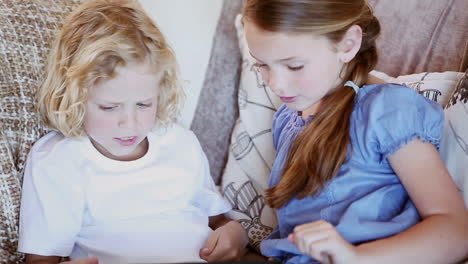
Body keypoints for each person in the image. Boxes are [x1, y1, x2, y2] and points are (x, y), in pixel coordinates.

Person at [18, 0, 248, 263]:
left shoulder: (181, 143)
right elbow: (40, 259)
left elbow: (216, 219)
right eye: (109, 107)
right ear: (73, 97)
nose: (130, 123)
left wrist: (235, 233)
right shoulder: (60, 161)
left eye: (143, 104)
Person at [242, 0, 468, 263]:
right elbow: (296, 227)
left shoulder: (386, 109)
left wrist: (356, 257)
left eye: (294, 66)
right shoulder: (286, 119)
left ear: (347, 45)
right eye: (262, 64)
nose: (275, 84)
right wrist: (240, 233)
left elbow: (456, 232)